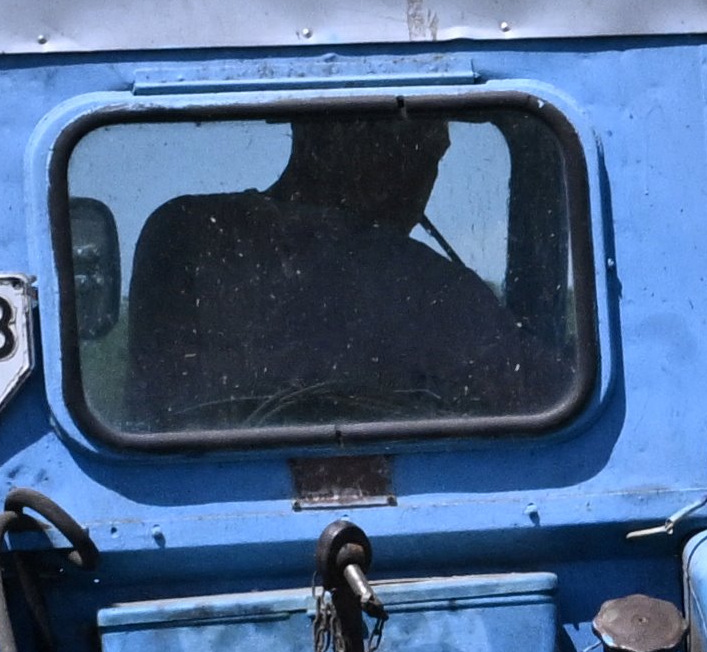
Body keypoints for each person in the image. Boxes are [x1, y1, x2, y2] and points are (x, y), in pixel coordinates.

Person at [128, 106, 531, 431]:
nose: (423, 176)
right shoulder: (438, 291)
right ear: (321, 139)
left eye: (431, 155)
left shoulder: (185, 232)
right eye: (412, 149)